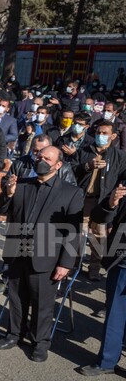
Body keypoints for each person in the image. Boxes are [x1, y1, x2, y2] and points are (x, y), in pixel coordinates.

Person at [0, 147, 84, 362]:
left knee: (42, 302)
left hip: (47, 256)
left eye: (47, 158)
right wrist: (9, 193)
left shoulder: (70, 192)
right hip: (17, 251)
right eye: (39, 157)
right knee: (16, 298)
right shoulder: (22, 184)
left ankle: (40, 343)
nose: (41, 160)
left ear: (58, 165)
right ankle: (14, 334)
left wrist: (65, 263)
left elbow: (73, 232)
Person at [78, 182, 126, 375]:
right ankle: (107, 361)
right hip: (122, 260)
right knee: (116, 313)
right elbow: (99, 216)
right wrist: (112, 203)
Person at [72, 119, 126, 280]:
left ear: (113, 136)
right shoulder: (84, 151)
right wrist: (87, 166)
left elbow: (123, 177)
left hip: (103, 202)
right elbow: (72, 170)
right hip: (83, 200)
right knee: (77, 236)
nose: (100, 136)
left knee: (99, 237)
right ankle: (74, 265)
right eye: (98, 133)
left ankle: (94, 269)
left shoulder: (119, 156)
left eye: (104, 133)